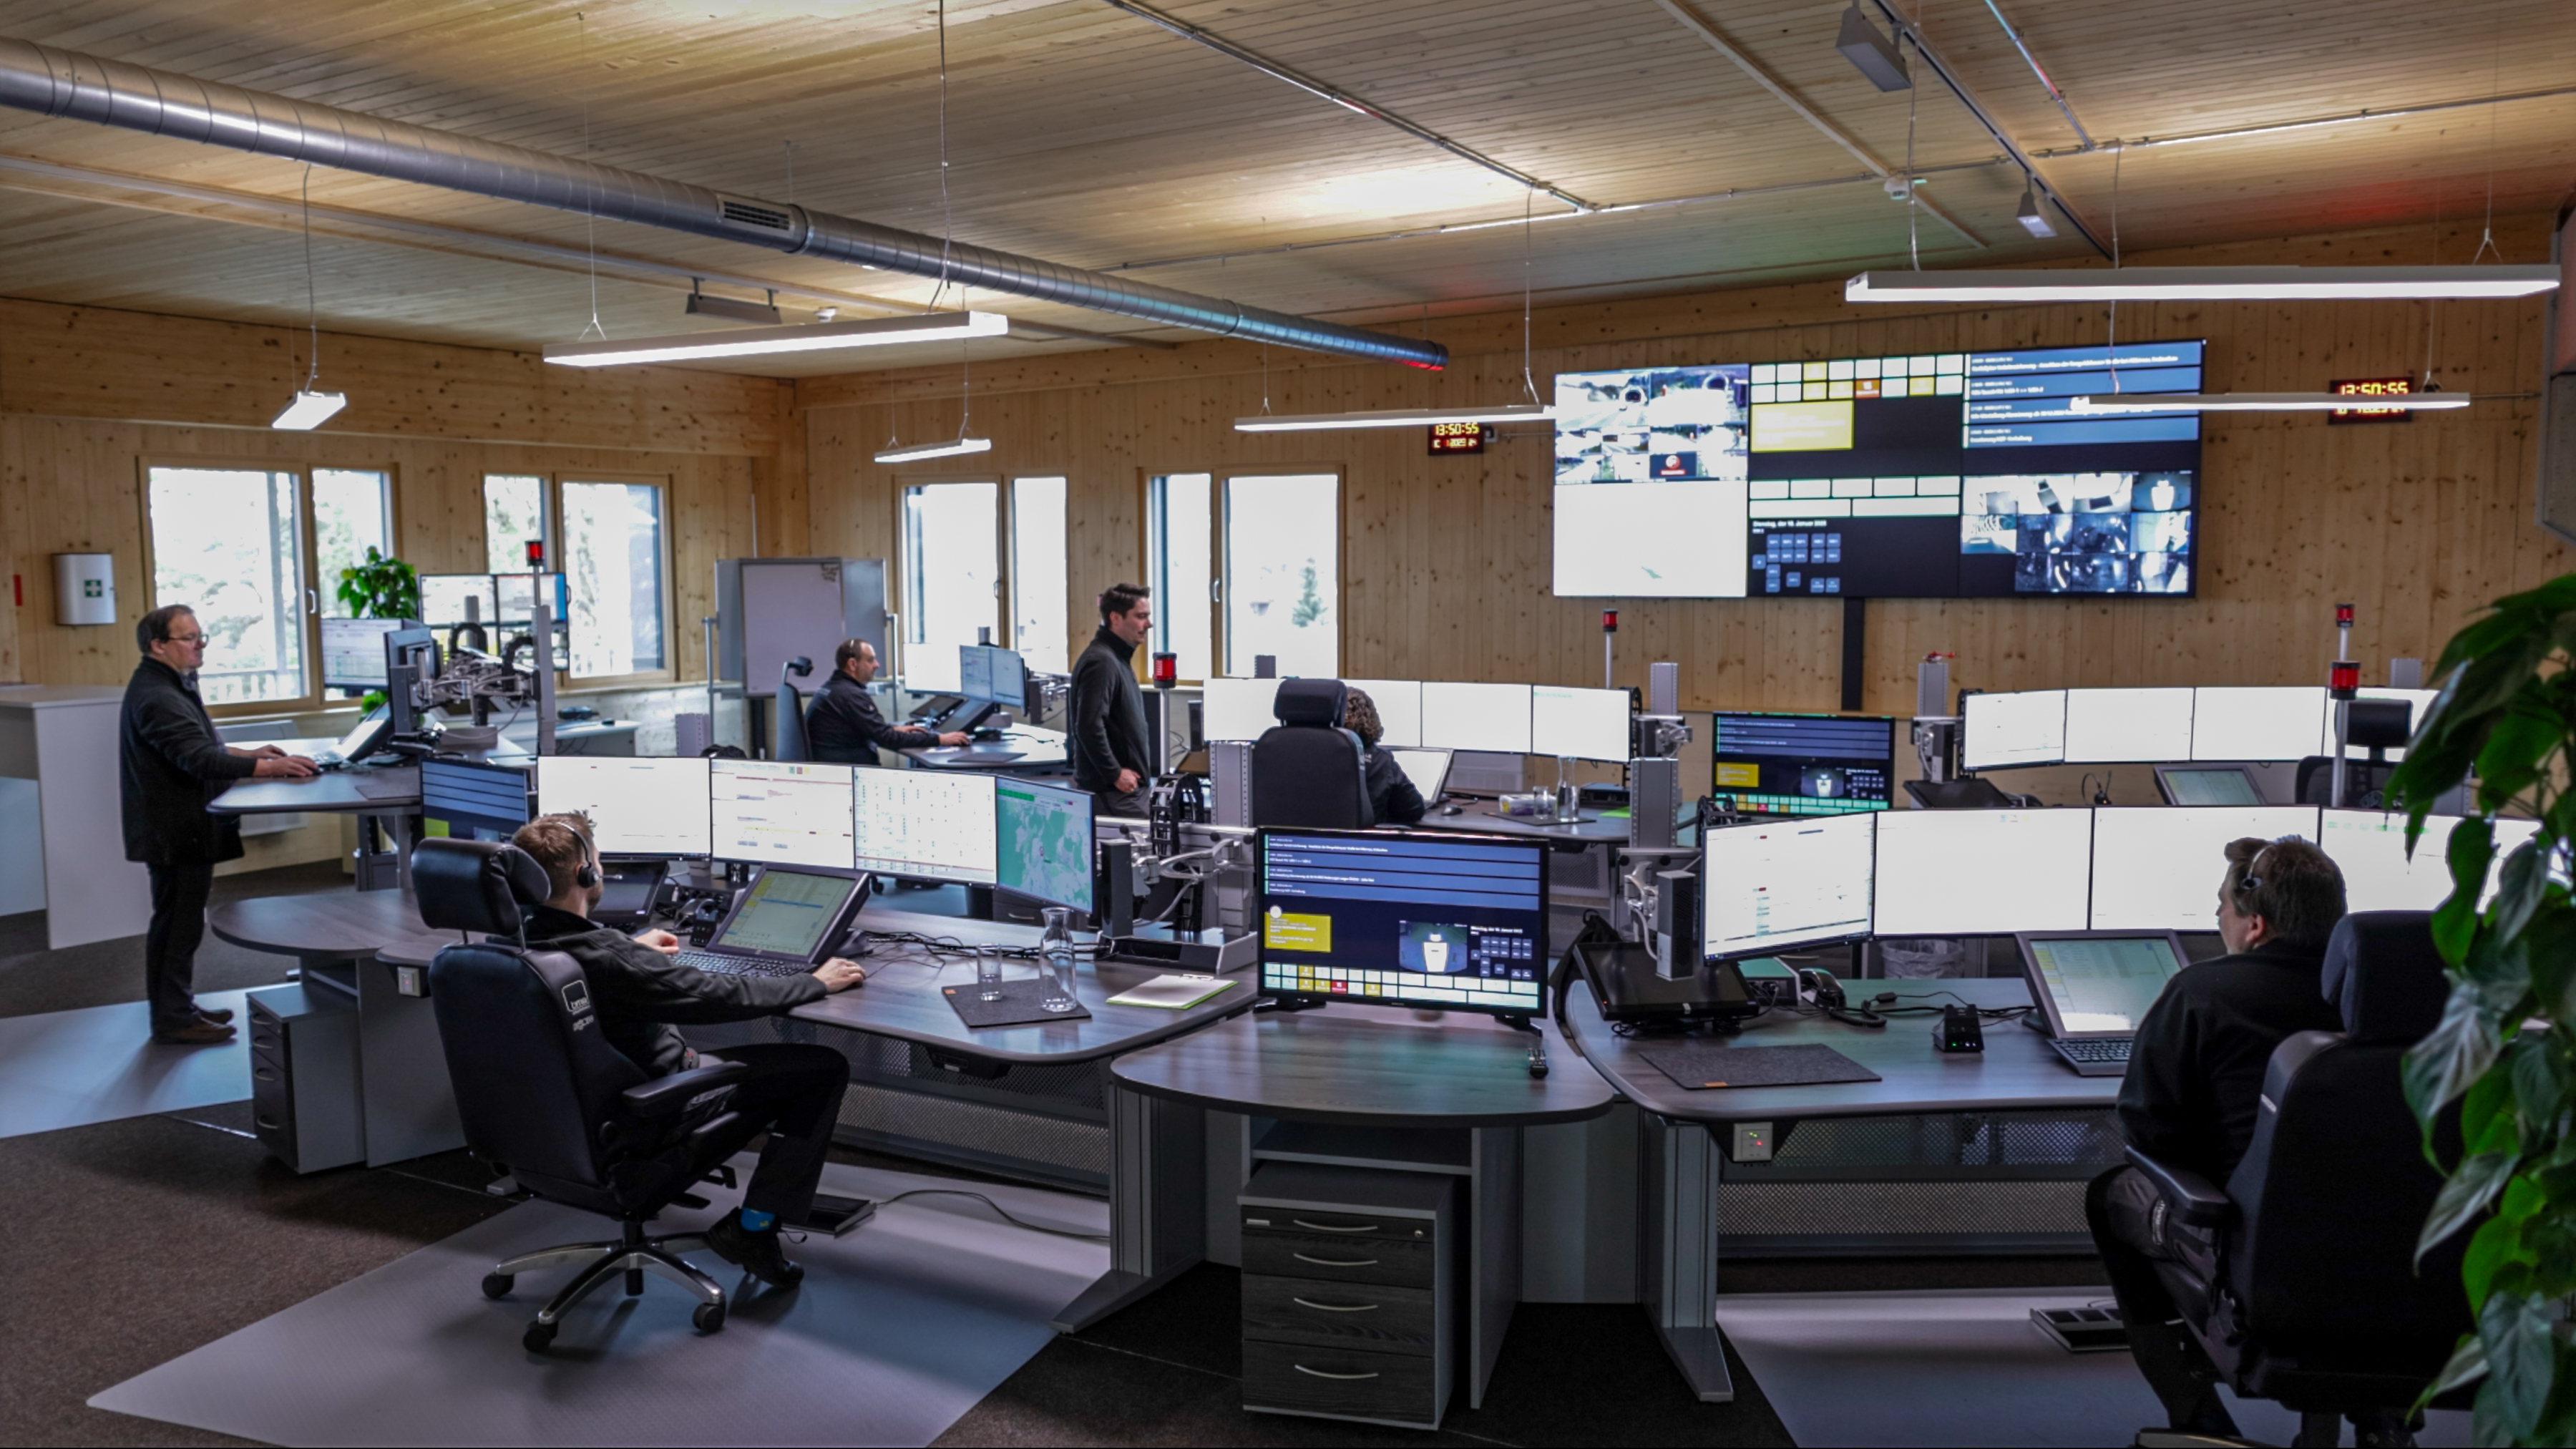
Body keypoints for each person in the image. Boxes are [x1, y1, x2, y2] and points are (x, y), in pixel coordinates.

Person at [510, 813, 861, 1288]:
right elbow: (720, 995)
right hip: (649, 1107)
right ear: (585, 873)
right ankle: (753, 1230)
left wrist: (631, 951)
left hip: (555, 1124)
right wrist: (814, 982)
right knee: (821, 1068)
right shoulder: (611, 960)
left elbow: (594, 961)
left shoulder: (505, 944)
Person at [2089, 835, 2350, 1442]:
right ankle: (2380, 1418)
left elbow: (2148, 1131)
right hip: (2395, 1263)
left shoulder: (2201, 992)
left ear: (2255, 925)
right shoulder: (2391, 1000)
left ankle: (2199, 1416)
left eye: (2223, 907)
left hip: (2255, 1252)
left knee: (2112, 1194)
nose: (2217, 918)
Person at [119, 604, 317, 1046]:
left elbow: (201, 745)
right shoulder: (158, 696)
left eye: (200, 636)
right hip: (176, 829)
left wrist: (251, 755)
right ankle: (173, 1019)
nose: (200, 646)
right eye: (188, 638)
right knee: (178, 924)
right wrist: (270, 768)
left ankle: (179, 1006)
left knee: (181, 922)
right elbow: (198, 759)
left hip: (179, 825)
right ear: (157, 645)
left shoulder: (169, 683)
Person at [804, 638, 966, 765]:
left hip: (834, 764)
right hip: (849, 770)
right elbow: (886, 738)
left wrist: (893, 729)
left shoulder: (834, 688)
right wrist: (939, 740)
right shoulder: (850, 695)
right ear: (853, 664)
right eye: (870, 660)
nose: (877, 665)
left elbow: (863, 728)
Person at [1070, 582, 1154, 818]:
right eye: (1141, 617)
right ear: (1115, 618)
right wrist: (1114, 773)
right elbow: (1089, 726)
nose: (1149, 624)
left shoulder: (1116, 658)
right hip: (1114, 794)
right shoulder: (1102, 662)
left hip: (1124, 792)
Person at [1340, 687, 1425, 825]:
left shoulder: (1309, 755)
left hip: (1309, 836)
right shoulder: (1380, 760)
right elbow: (1413, 809)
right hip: (1362, 837)